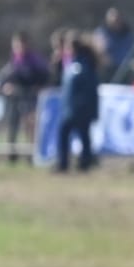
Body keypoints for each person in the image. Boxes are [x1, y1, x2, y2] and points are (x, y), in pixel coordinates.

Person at [0, 32, 50, 162]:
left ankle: (31, 156)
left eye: (20, 44)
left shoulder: (34, 60)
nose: (18, 47)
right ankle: (12, 156)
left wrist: (38, 87)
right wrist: (6, 87)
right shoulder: (14, 60)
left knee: (30, 127)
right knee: (12, 126)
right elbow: (4, 79)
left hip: (29, 99)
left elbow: (44, 76)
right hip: (14, 100)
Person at [55, 34, 100, 174]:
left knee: (82, 136)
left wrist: (83, 107)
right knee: (67, 134)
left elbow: (86, 89)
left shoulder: (82, 66)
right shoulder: (71, 64)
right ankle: (65, 164)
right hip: (70, 109)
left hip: (78, 109)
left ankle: (83, 164)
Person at [94, 7, 134, 81]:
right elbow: (100, 50)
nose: (116, 21)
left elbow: (130, 48)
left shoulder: (126, 33)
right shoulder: (102, 32)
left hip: (124, 69)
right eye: (113, 19)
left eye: (118, 19)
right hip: (108, 70)